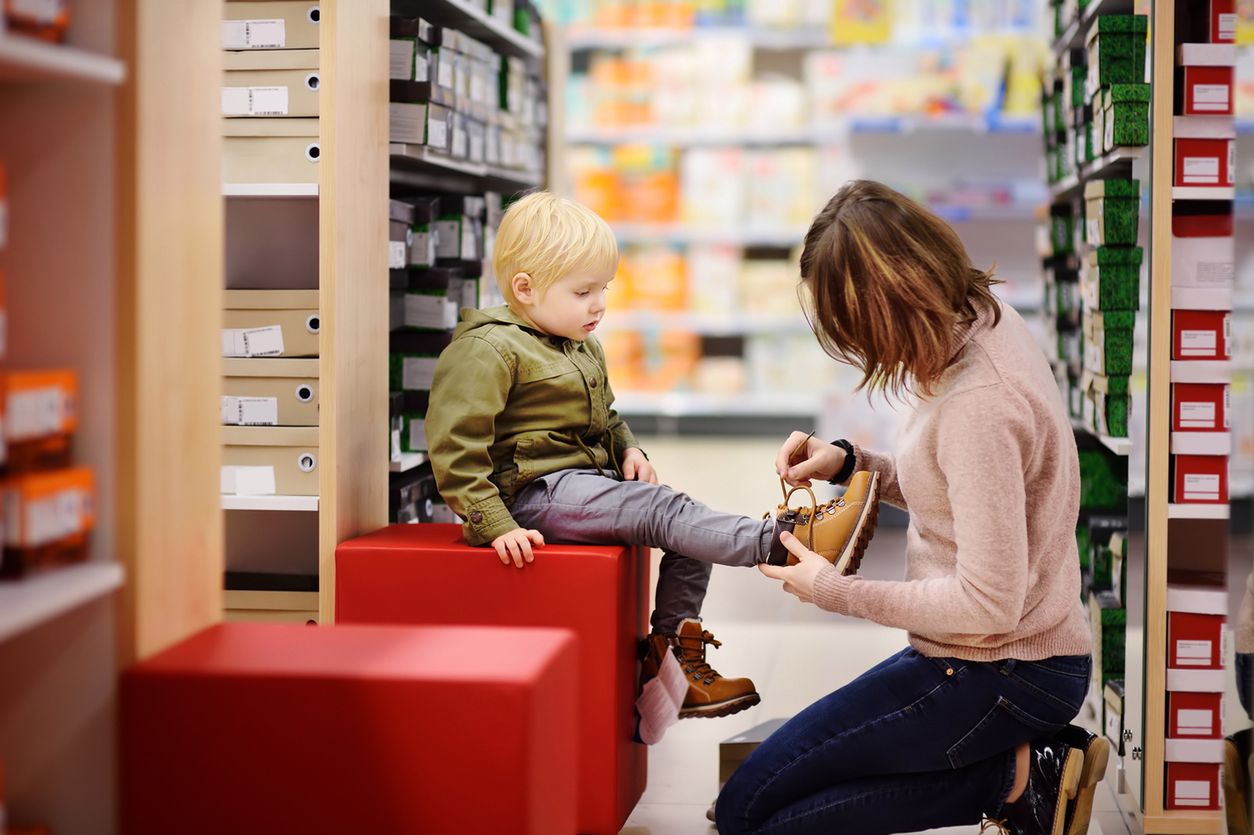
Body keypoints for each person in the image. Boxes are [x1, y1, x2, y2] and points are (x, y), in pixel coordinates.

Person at [716, 180, 1110, 835]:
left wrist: (833, 590)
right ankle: (1009, 769)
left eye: (857, 328)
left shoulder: (978, 405)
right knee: (750, 802)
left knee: (750, 814)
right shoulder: (979, 317)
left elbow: (988, 604)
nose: (863, 349)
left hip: (1005, 669)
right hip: (987, 654)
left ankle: (1020, 775)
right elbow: (960, 492)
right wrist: (852, 464)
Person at [425, 191, 881, 721]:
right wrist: (496, 524)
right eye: (583, 291)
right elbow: (455, 447)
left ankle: (673, 663)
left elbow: (607, 416)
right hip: (530, 496)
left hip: (581, 485)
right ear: (525, 288)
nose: (599, 305)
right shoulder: (488, 349)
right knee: (664, 513)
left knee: (685, 529)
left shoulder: (578, 343)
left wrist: (629, 449)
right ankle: (785, 540)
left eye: (604, 290)